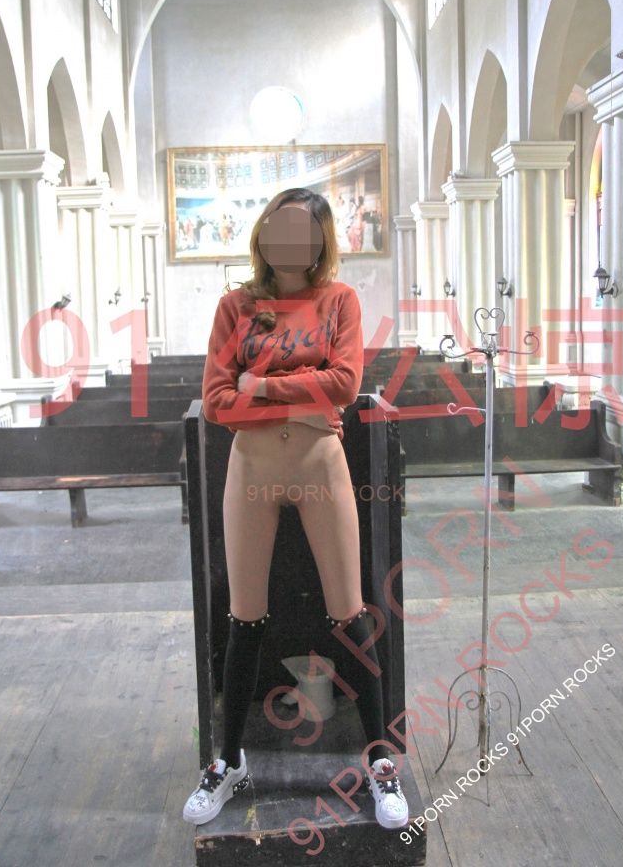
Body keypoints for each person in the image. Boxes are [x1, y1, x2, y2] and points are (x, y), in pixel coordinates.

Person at [182, 187, 408, 830]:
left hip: (318, 469)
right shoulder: (236, 306)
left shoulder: (340, 301)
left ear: (319, 242)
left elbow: (346, 384)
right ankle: (228, 761)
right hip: (252, 470)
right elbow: (217, 402)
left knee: (351, 611)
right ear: (262, 233)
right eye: (278, 226)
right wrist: (304, 404)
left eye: (303, 230)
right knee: (244, 616)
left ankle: (381, 762)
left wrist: (259, 385)